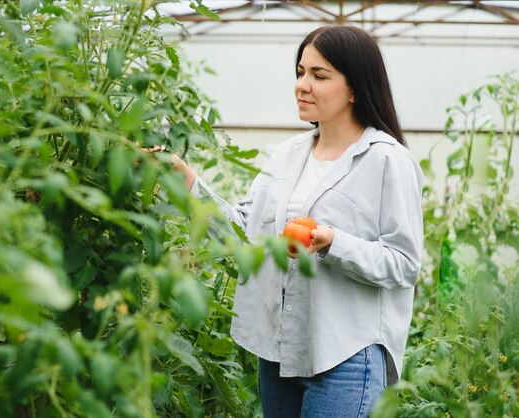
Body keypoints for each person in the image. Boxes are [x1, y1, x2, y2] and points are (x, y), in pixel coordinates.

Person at [168, 25, 423, 418]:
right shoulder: (285, 156)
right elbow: (243, 233)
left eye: (319, 76)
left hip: (346, 356)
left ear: (355, 88)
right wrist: (187, 183)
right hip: (280, 353)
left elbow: (404, 264)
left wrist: (332, 242)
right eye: (301, 72)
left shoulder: (386, 160)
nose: (302, 85)